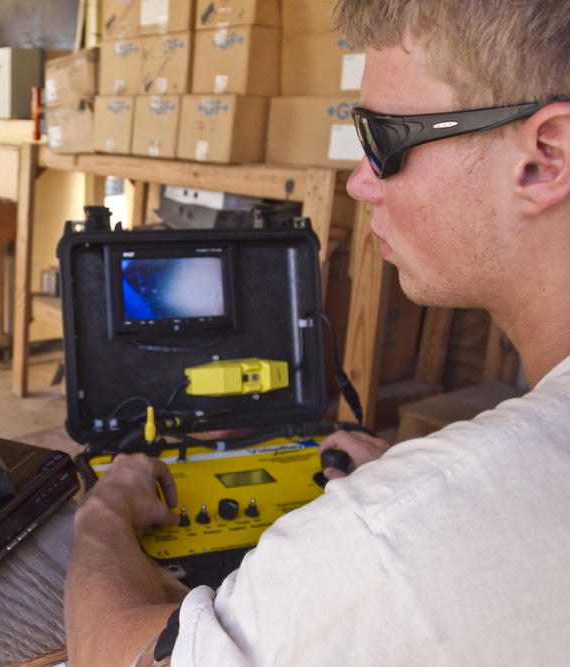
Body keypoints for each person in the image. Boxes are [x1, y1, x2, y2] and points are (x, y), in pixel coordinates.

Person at [63, 0, 570, 664]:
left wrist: (102, 515)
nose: (361, 182)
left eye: (384, 140)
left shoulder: (392, 535)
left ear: (546, 158)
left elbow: (115, 656)